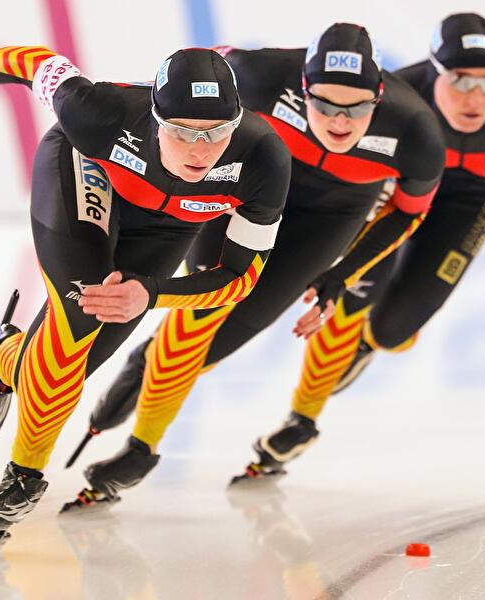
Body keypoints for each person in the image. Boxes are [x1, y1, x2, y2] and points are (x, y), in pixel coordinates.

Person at [0, 44, 291, 553]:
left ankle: (5, 360)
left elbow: (239, 278)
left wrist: (152, 294)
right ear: (156, 120)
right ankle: (24, 477)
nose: (200, 150)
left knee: (66, 369)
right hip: (83, 175)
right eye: (182, 131)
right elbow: (35, 63)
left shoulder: (263, 157)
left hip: (165, 229)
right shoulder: (102, 114)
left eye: (216, 133)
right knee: (81, 315)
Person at [61, 23, 445, 510]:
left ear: (380, 98)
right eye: (324, 105)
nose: (340, 122)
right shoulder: (257, 72)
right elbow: (175, 94)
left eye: (357, 109)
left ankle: (138, 422)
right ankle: (141, 442)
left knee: (215, 342)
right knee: (196, 315)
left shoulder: (417, 131)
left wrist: (340, 274)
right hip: (249, 194)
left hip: (331, 217)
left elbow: (409, 213)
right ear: (301, 88)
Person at [235, 12, 485, 482]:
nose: (475, 98)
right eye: (460, 80)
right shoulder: (397, 103)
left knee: (393, 329)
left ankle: (369, 340)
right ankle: (303, 421)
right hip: (403, 186)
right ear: (433, 72)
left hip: (474, 198)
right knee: (357, 281)